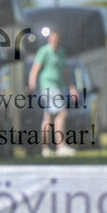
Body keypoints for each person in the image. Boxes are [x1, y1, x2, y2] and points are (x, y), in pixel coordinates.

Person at [28, 28, 79, 157]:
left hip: (59, 87)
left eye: (57, 39)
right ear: (49, 38)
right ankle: (60, 146)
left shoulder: (61, 52)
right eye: (53, 39)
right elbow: (35, 69)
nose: (55, 41)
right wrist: (32, 83)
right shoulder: (44, 51)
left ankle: (45, 148)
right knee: (62, 113)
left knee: (48, 118)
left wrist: (72, 88)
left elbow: (65, 72)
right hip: (48, 86)